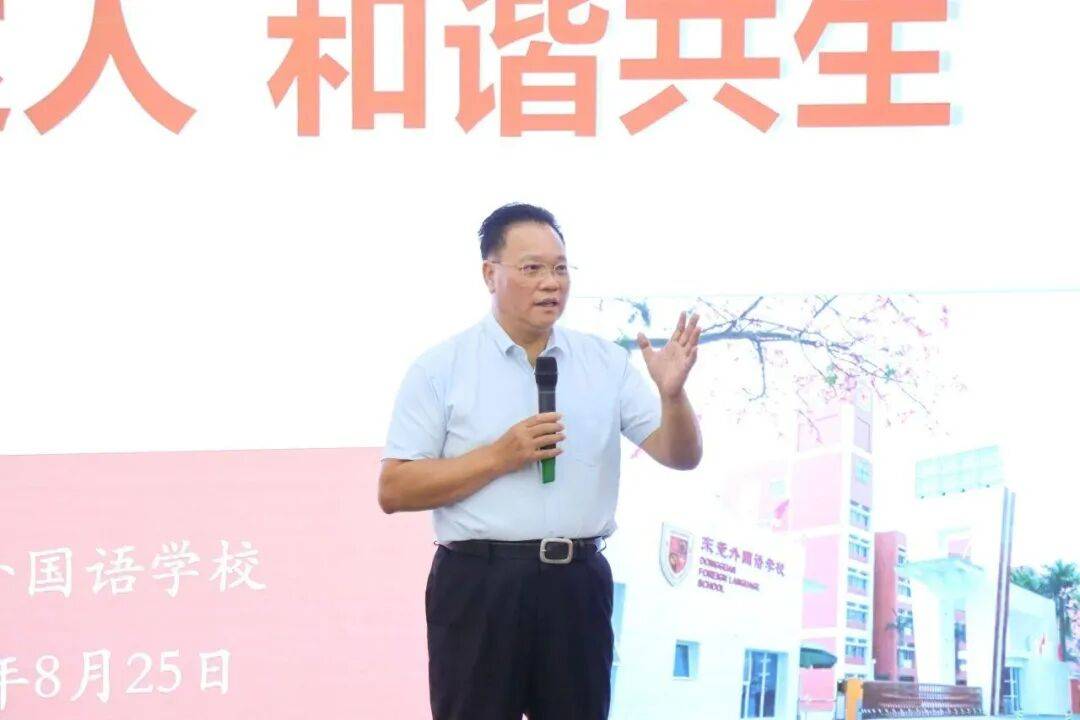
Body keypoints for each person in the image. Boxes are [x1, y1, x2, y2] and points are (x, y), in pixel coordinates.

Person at [378, 202, 703, 720]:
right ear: (490, 274)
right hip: (479, 586)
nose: (551, 282)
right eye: (532, 268)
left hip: (577, 586)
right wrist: (498, 457)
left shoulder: (605, 363)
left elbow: (681, 455)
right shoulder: (441, 368)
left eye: (560, 268)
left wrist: (672, 396)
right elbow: (394, 489)